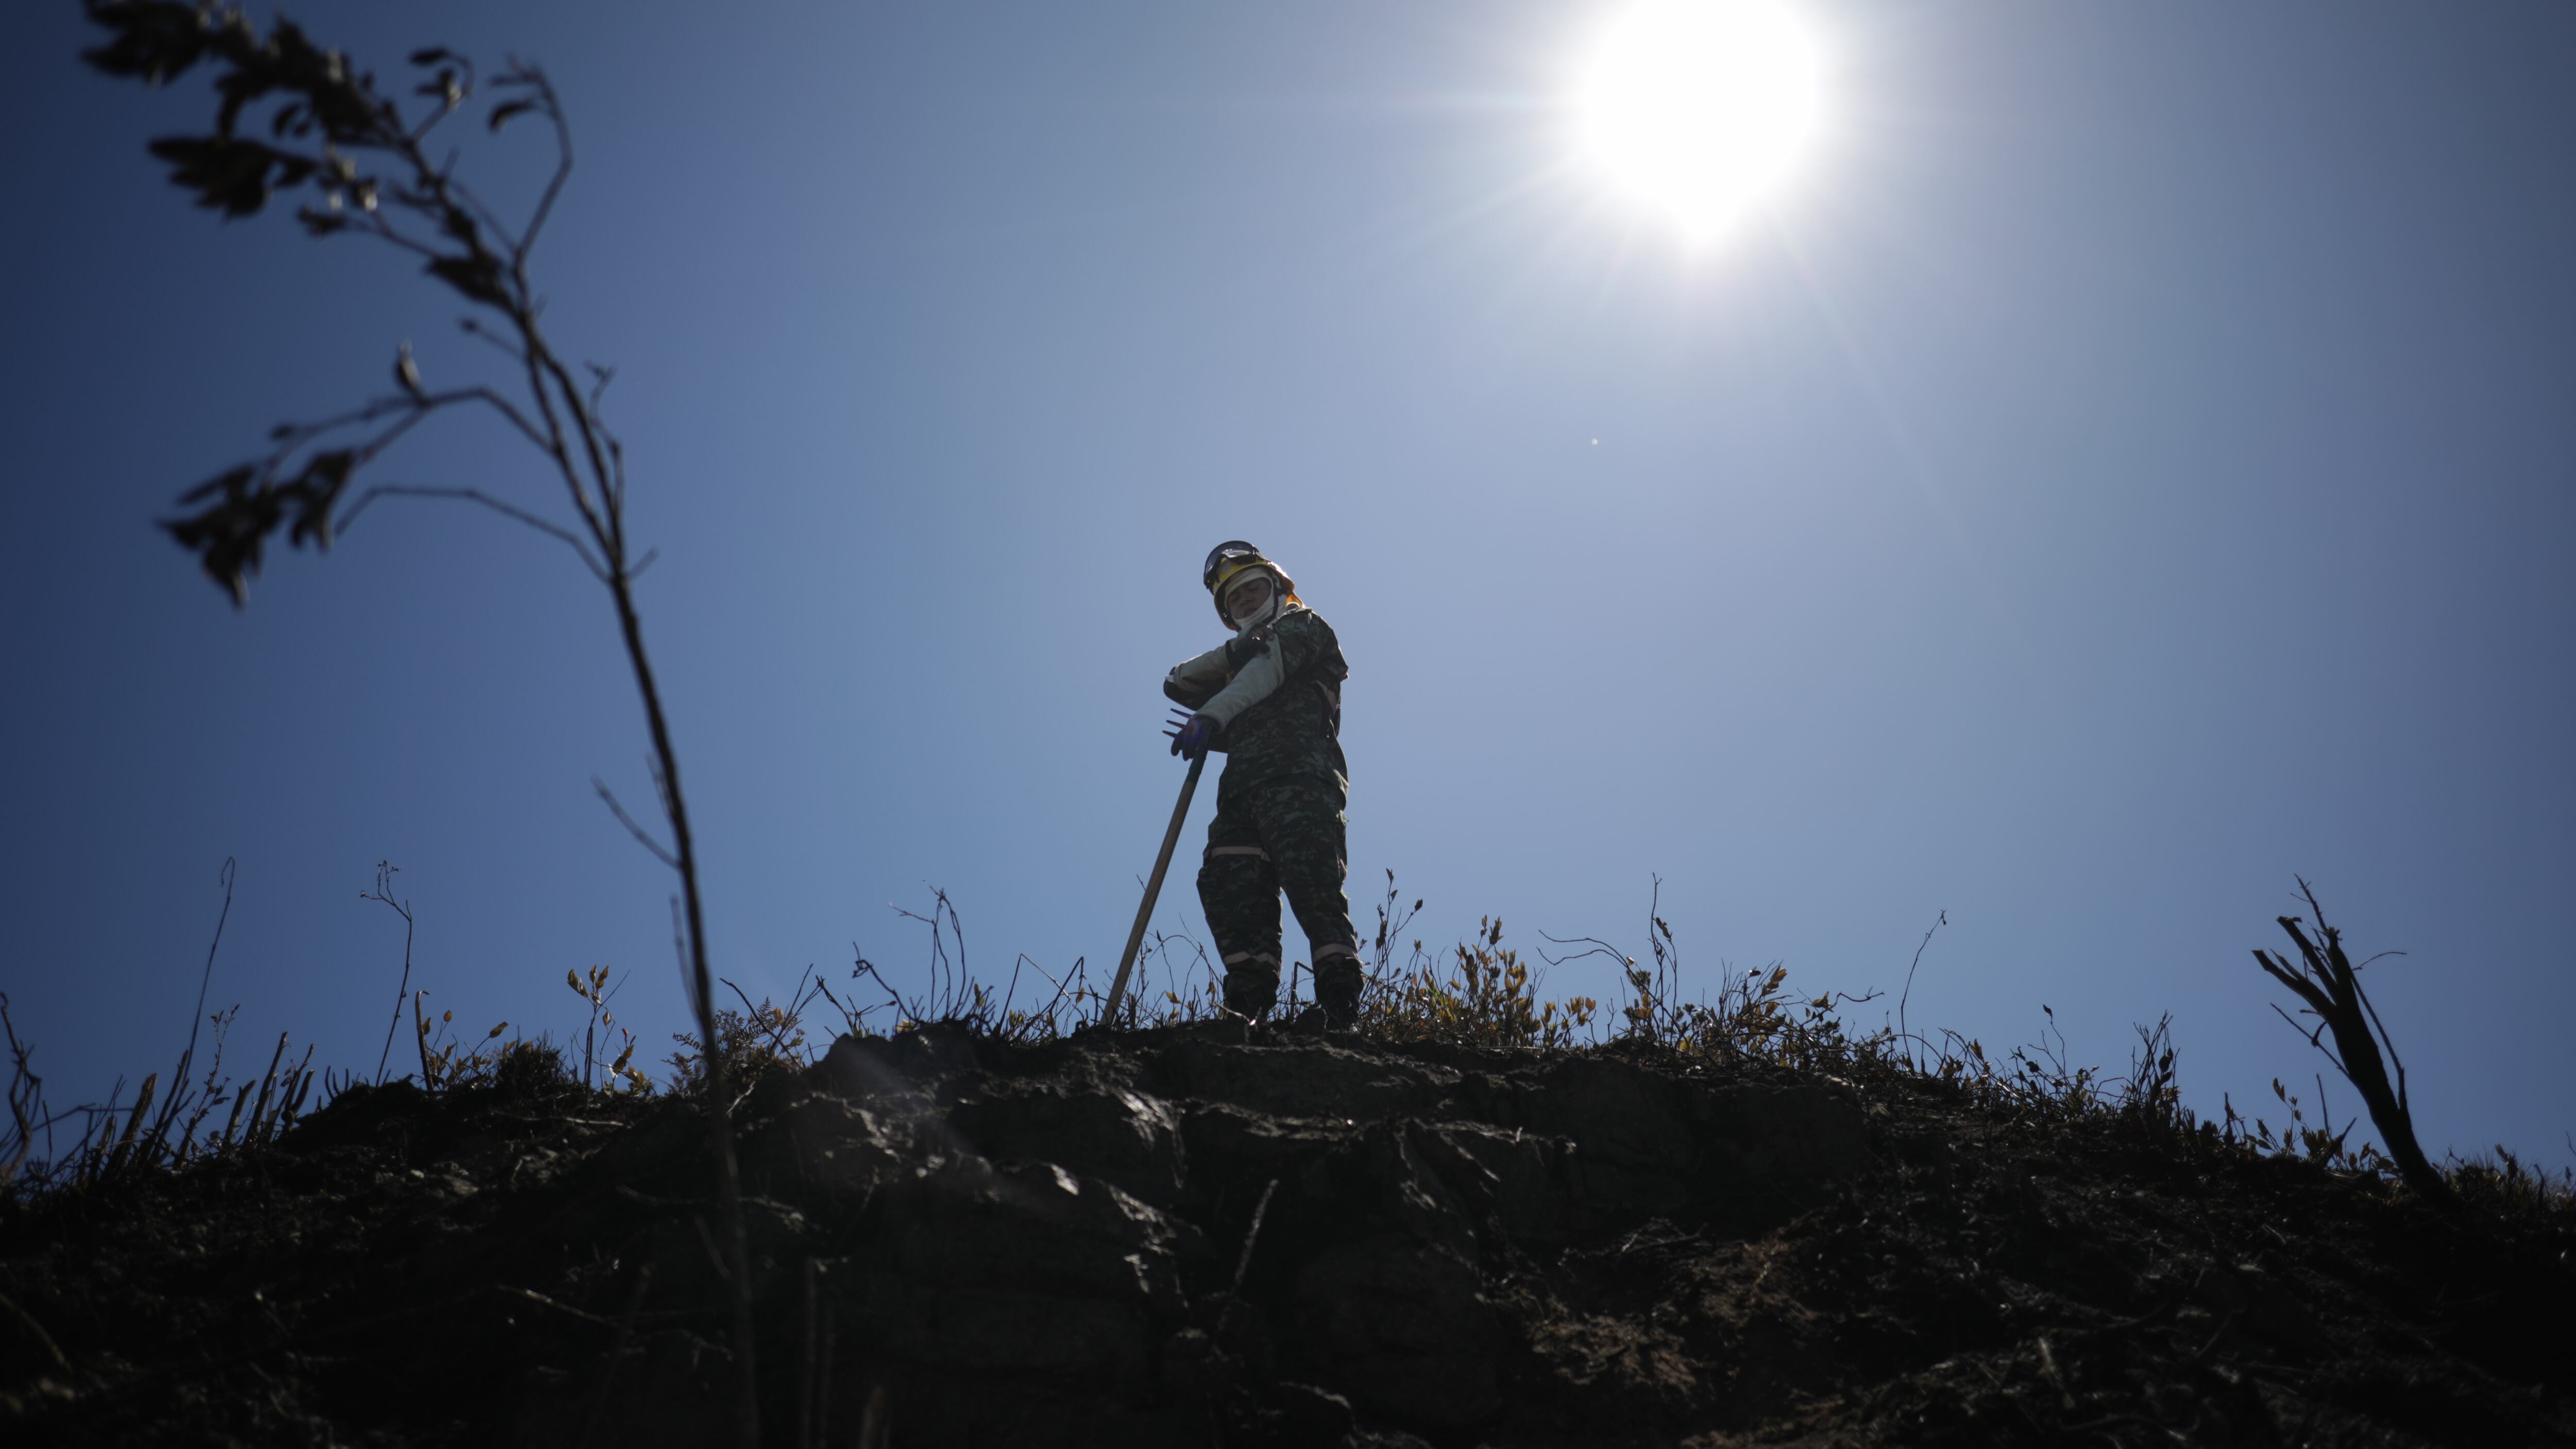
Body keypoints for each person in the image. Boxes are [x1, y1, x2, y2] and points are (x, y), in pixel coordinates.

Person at [1162, 541, 1361, 1028]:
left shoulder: (1304, 627)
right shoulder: (1236, 660)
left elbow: (1266, 672)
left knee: (1313, 885)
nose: (1246, 602)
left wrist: (1212, 714)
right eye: (1235, 601)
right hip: (1240, 793)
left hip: (1300, 780)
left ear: (1278, 589)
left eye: (1253, 589)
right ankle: (1245, 1009)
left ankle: (1339, 1012)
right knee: (1231, 884)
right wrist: (1233, 651)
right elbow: (1177, 681)